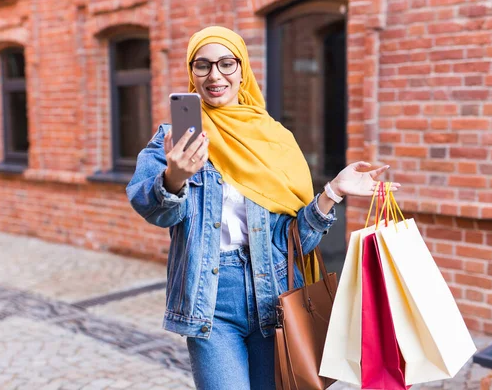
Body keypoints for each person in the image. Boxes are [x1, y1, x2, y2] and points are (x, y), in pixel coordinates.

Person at [126, 26, 400, 390]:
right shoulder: (173, 139)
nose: (215, 75)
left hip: (275, 294)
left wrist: (333, 191)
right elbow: (153, 208)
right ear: (191, 73)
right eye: (202, 65)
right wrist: (174, 177)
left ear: (243, 70)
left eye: (226, 63)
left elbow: (293, 240)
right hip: (211, 300)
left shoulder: (274, 139)